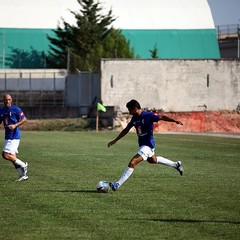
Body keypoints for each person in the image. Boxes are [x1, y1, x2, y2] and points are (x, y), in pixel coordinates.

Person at [108, 99, 184, 191]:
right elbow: (126, 130)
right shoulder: (134, 118)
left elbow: (161, 117)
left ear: (135, 108)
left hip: (148, 145)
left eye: (130, 110)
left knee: (133, 162)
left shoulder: (148, 115)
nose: (129, 112)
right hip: (142, 145)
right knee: (152, 160)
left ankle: (117, 184)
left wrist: (174, 121)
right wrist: (115, 140)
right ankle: (176, 164)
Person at [0, 94, 29, 181]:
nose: (7, 101)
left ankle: (23, 164)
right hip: (7, 136)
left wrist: (15, 125)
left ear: (11, 100)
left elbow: (24, 119)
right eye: (5, 100)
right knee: (13, 157)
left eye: (9, 100)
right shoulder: (1, 111)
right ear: (3, 101)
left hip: (14, 136)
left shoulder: (16, 109)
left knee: (5, 155)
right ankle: (23, 175)